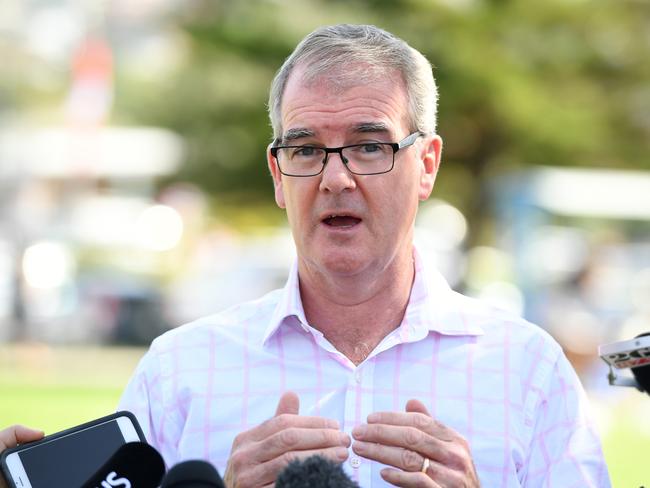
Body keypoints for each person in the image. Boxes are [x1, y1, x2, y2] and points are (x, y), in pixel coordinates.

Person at [1, 24, 610, 487]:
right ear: (276, 173)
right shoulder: (177, 373)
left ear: (426, 165)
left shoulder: (530, 370)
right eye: (306, 149)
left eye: (370, 147)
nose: (336, 179)